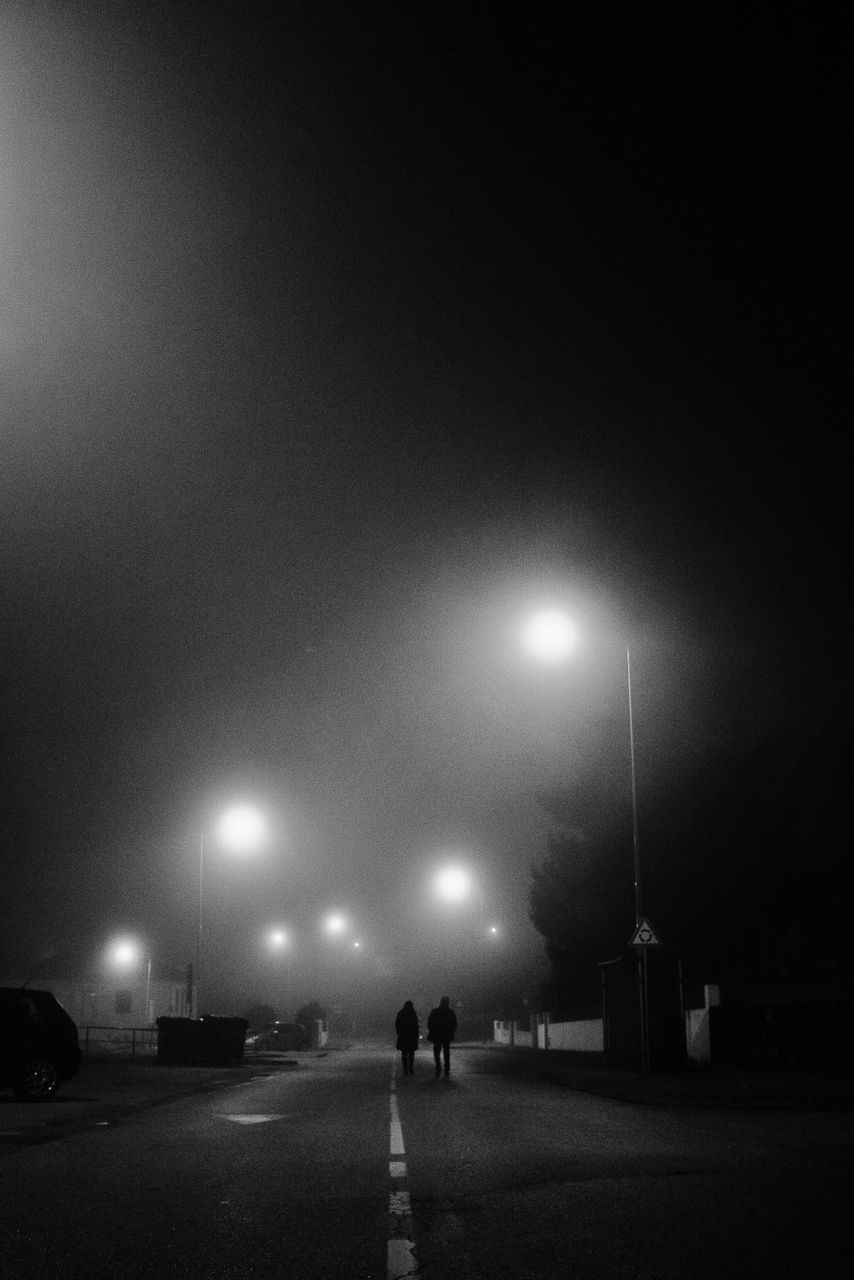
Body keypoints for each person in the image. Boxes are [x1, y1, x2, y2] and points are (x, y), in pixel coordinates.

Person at [426, 995, 458, 1077]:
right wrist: (450, 1031)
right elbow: (454, 1024)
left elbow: (430, 1023)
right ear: (448, 1003)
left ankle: (438, 1068)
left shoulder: (435, 1011)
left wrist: (433, 1031)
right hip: (447, 1035)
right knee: (446, 1052)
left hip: (437, 1035)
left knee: (436, 1052)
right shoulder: (450, 1012)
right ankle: (446, 1069)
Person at [395, 1000, 420, 1076]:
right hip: (411, 1036)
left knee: (404, 1053)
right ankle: (410, 1068)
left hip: (403, 1036)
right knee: (411, 1053)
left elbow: (397, 1024)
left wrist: (399, 1032)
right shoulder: (413, 1013)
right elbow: (416, 1025)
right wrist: (416, 1034)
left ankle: (405, 1069)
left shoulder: (401, 1013)